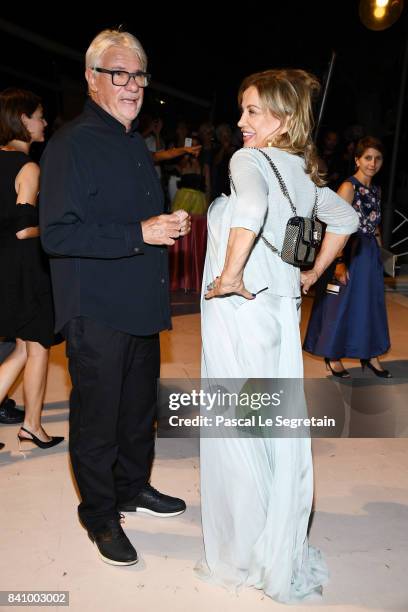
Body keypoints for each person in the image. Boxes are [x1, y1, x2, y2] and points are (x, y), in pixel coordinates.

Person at [197, 69, 359, 603]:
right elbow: (346, 218)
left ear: (284, 120)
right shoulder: (299, 172)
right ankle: (272, 535)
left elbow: (249, 208)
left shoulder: (248, 161)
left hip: (241, 314)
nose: (241, 122)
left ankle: (247, 549)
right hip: (277, 318)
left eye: (254, 112)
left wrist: (229, 273)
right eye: (241, 110)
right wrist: (311, 275)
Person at [39, 29, 190, 566]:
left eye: (139, 75)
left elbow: (133, 220)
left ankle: (131, 487)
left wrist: (165, 225)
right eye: (118, 74)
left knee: (136, 414)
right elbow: (57, 234)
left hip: (140, 306)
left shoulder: (132, 142)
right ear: (91, 79)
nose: (132, 85)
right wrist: (139, 233)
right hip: (96, 310)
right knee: (98, 420)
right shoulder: (71, 145)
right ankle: (101, 516)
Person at [0, 88, 64, 451]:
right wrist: (56, 227)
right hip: (26, 270)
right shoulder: (27, 166)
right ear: (23, 119)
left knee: (24, 349)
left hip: (6, 267)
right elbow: (24, 227)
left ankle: (32, 424)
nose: (43, 122)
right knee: (38, 346)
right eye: (38, 115)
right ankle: (33, 425)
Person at [303, 137, 392, 378]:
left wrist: (381, 255)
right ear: (357, 160)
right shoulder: (348, 187)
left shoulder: (376, 189)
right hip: (349, 250)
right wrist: (339, 262)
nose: (373, 163)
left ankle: (370, 354)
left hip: (369, 253)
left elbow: (375, 225)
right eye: (367, 158)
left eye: (378, 158)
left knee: (370, 306)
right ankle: (333, 356)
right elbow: (336, 226)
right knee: (340, 305)